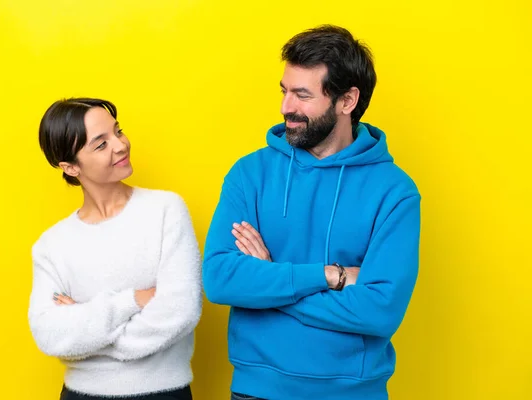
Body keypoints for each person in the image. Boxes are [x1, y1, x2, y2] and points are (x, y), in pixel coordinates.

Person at [203, 25, 421, 400]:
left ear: (347, 101)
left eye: (302, 95)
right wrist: (329, 276)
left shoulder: (394, 191)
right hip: (257, 391)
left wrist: (269, 281)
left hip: (353, 393)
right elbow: (221, 279)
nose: (287, 107)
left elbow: (379, 310)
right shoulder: (250, 173)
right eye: (285, 91)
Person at [28, 98, 202, 400]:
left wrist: (89, 334)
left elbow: (181, 309)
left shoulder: (165, 210)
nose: (120, 145)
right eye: (100, 144)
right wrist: (133, 300)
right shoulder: (52, 245)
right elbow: (50, 334)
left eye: (118, 132)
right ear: (70, 167)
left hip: (163, 394)